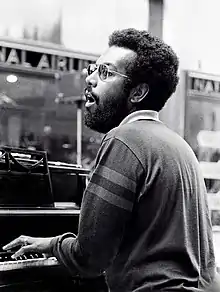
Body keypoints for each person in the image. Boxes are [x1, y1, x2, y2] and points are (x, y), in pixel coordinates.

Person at [3, 28, 219, 292]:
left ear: (137, 92)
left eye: (106, 72)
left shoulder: (124, 139)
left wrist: (55, 246)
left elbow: (90, 259)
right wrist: (50, 244)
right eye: (93, 69)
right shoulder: (178, 145)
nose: (90, 79)